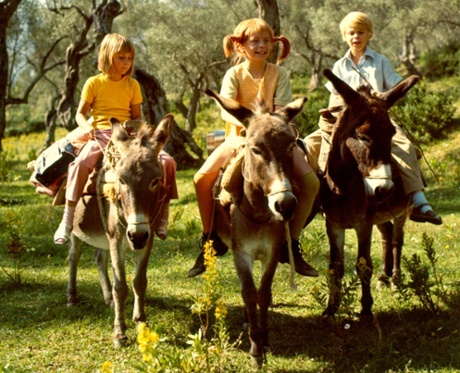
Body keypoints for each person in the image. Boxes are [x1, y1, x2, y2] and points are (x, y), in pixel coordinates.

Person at [188, 18, 320, 278]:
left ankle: (290, 243)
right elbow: (226, 111)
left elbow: (281, 109)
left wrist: (270, 128)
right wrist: (244, 133)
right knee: (201, 178)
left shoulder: (278, 73)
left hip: (274, 138)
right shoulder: (233, 75)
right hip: (238, 137)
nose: (262, 46)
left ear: (274, 44)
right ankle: (209, 238)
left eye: (267, 41)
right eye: (255, 41)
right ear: (241, 46)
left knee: (312, 182)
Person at [304, 11, 442, 225]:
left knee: (403, 146)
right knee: (310, 144)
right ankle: (316, 198)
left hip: (376, 120)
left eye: (360, 32)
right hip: (347, 120)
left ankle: (418, 199)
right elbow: (334, 95)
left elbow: (396, 84)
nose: (355, 37)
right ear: (344, 36)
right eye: (351, 33)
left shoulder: (380, 62)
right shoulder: (340, 65)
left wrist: (381, 96)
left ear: (370, 34)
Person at [54, 33, 178, 245]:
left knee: (168, 162)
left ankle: (163, 216)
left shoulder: (132, 85)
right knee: (80, 164)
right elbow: (79, 114)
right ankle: (66, 221)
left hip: (127, 137)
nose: (126, 63)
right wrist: (87, 127)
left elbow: (137, 116)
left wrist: (136, 129)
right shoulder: (94, 83)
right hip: (100, 133)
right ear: (107, 56)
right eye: (121, 58)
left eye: (129, 58)